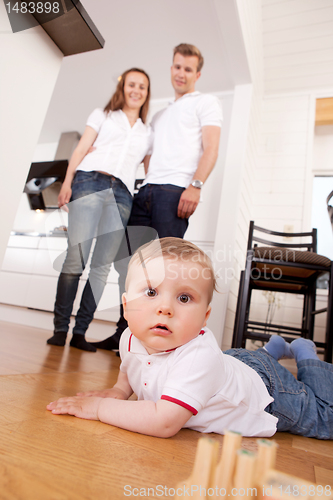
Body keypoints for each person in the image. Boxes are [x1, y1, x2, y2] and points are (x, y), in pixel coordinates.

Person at [47, 238, 333, 439]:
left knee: (326, 417)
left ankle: (304, 352)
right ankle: (270, 350)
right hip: (229, 365)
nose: (165, 307)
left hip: (267, 394)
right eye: (150, 292)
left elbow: (164, 422)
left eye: (184, 297)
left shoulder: (199, 357)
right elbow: (129, 366)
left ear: (204, 318)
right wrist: (121, 391)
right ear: (126, 305)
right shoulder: (130, 336)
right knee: (224, 364)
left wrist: (100, 408)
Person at [91, 43, 223, 351]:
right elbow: (143, 154)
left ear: (197, 74)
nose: (181, 73)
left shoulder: (206, 102)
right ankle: (126, 334)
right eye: (177, 66)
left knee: (167, 269)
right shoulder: (161, 114)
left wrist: (196, 185)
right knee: (131, 265)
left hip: (175, 192)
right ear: (171, 68)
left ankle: (162, 339)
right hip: (146, 191)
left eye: (188, 69)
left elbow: (211, 148)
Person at [46, 68, 151, 352]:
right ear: (123, 88)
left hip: (123, 195)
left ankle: (80, 332)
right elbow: (81, 148)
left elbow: (150, 168)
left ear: (146, 92)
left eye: (142, 86)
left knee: (101, 267)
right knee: (75, 259)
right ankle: (60, 329)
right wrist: (66, 182)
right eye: (132, 84)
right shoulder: (102, 115)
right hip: (90, 181)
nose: (136, 90)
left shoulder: (147, 132)